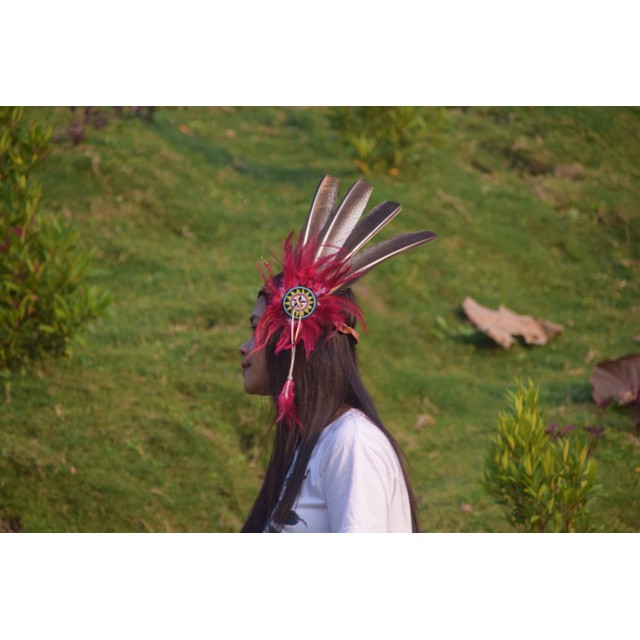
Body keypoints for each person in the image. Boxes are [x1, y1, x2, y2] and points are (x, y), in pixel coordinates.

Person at [239, 175, 437, 533]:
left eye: (258, 329)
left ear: (294, 340)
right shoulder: (311, 445)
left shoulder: (352, 444)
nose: (244, 346)